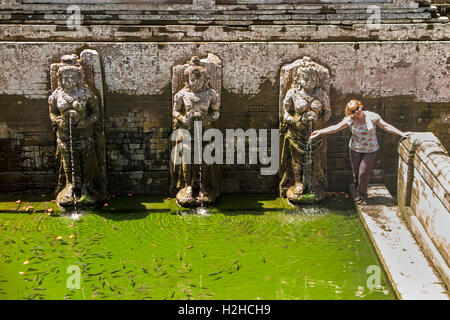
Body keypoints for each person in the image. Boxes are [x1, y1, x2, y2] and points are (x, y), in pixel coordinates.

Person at [310, 99, 412, 205]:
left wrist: (401, 133)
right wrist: (320, 132)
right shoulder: (349, 120)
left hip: (370, 150)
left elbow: (386, 126)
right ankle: (359, 194)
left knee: (363, 173)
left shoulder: (372, 116)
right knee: (356, 174)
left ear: (361, 106)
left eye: (357, 108)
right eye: (353, 111)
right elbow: (335, 128)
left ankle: (363, 197)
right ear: (350, 113)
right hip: (355, 149)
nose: (356, 112)